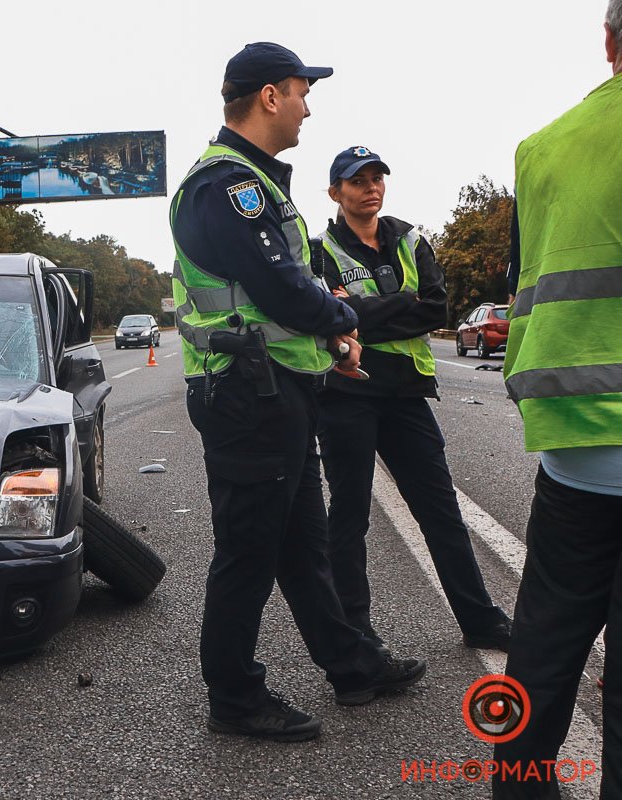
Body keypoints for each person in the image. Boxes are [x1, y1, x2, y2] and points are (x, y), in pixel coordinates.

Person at [169, 41, 427, 743]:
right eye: (301, 90)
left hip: (274, 388)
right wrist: (343, 321)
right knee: (249, 550)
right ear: (270, 96)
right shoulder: (228, 184)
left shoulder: (255, 181)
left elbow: (286, 291)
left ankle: (352, 664)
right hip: (245, 394)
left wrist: (328, 338)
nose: (309, 105)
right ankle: (234, 697)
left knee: (301, 542)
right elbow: (282, 287)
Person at [494, 2, 622, 795]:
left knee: (541, 651)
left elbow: (521, 282)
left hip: (573, 439)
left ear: (609, 40)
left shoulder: (540, 148)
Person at [312, 147, 512, 658]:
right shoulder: (318, 252)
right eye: (357, 181)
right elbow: (325, 317)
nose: (371, 187)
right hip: (347, 394)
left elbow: (436, 309)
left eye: (377, 178)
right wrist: (398, 304)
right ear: (336, 192)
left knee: (441, 510)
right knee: (350, 517)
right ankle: (357, 637)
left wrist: (357, 310)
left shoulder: (409, 239)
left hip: (406, 394)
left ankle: (480, 619)